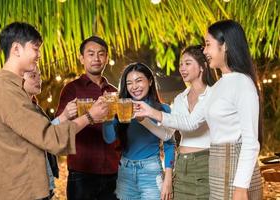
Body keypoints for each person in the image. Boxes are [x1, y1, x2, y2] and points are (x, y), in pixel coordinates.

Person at [134, 20, 263, 200]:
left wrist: (241, 188)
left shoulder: (242, 83)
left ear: (225, 46)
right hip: (217, 167)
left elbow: (251, 141)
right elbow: (190, 122)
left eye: (208, 44)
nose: (205, 51)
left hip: (233, 168)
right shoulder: (219, 86)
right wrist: (148, 113)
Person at [0, 22, 108, 200]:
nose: (39, 55)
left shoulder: (6, 89)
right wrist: (89, 116)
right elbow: (49, 136)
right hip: (21, 192)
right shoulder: (5, 91)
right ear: (16, 49)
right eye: (35, 49)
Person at [55, 36, 120, 200]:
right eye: (91, 54)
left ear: (106, 58)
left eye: (101, 54)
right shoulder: (71, 89)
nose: (96, 59)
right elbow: (59, 129)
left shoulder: (114, 92)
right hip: (82, 175)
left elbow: (121, 131)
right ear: (82, 58)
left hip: (113, 173)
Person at [103, 63, 175, 200]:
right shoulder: (122, 108)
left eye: (139, 80)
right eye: (129, 83)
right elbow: (109, 138)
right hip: (125, 171)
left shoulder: (162, 109)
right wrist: (108, 116)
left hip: (151, 172)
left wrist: (168, 179)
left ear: (150, 81)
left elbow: (169, 144)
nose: (134, 87)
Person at [23, 67, 78, 198]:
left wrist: (65, 116)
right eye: (32, 76)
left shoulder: (34, 105)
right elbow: (42, 136)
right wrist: (66, 116)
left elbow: (44, 131)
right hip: (31, 185)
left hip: (44, 183)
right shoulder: (21, 109)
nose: (39, 79)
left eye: (40, 75)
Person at [171, 45, 216, 199]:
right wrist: (143, 119)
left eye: (188, 63)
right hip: (181, 166)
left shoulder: (213, 94)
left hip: (205, 164)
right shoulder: (179, 99)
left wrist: (153, 113)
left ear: (202, 67)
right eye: (180, 64)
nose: (182, 68)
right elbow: (166, 132)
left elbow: (190, 124)